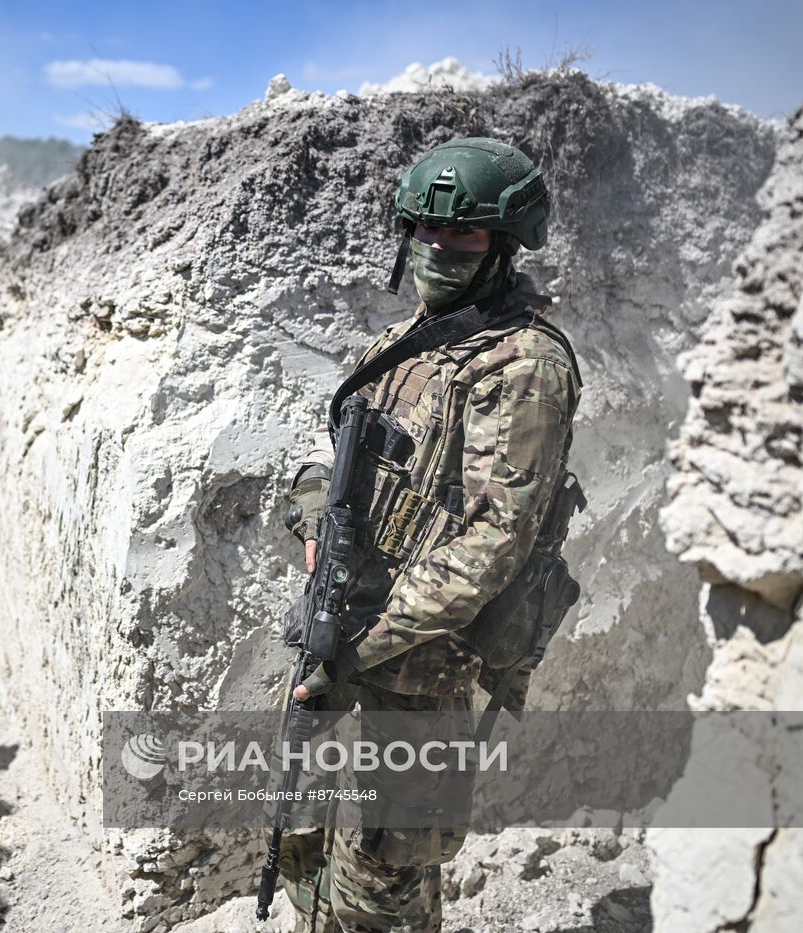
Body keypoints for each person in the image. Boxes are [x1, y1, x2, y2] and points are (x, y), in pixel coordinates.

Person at [280, 138, 581, 932]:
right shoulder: (408, 343)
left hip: (415, 669)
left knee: (381, 881)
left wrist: (356, 642)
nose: (440, 251)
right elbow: (348, 467)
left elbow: (491, 546)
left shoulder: (522, 369)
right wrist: (315, 523)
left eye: (465, 237)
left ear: (504, 248)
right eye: (428, 234)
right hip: (348, 638)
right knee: (309, 849)